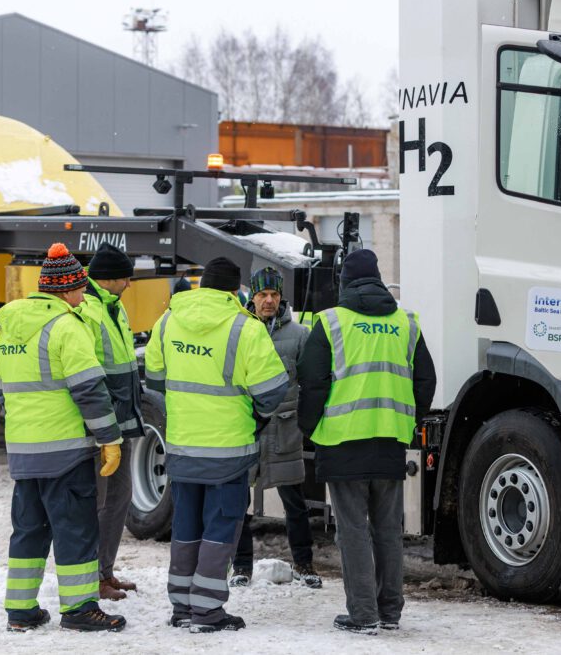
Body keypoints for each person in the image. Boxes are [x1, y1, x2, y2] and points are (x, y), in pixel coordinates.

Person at [0, 242, 127, 633]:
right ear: (66, 289)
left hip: (23, 452)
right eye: (81, 289)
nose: (84, 296)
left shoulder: (6, 321)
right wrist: (109, 439)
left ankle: (21, 610)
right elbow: (89, 391)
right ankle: (81, 608)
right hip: (65, 452)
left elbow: (0, 390)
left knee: (29, 529)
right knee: (76, 529)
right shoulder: (66, 326)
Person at [146, 257, 289, 633]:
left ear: (202, 284)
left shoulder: (168, 321)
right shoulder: (246, 328)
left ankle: (182, 607)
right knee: (220, 528)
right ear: (235, 290)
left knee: (186, 525)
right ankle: (207, 612)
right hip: (228, 450)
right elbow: (273, 392)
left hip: (181, 447)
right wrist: (254, 417)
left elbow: (155, 379)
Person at [297, 249, 437, 634]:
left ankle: (363, 614)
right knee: (388, 530)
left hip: (342, 441)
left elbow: (312, 382)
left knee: (353, 530)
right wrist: (409, 421)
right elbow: (425, 379)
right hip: (390, 439)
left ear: (344, 282)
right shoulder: (406, 322)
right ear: (377, 279)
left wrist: (308, 426)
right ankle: (390, 611)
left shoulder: (331, 323)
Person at [230, 267, 322, 590]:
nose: (268, 300)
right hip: (248, 429)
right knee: (238, 501)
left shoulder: (298, 335)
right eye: (262, 295)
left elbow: (311, 382)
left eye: (274, 295)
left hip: (285, 431)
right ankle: (240, 566)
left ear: (281, 297)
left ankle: (304, 563)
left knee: (295, 502)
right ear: (252, 296)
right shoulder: (238, 330)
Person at [74, 242, 143, 601]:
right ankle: (92, 578)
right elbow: (85, 371)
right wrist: (99, 426)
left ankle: (106, 571)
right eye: (126, 278)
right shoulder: (88, 309)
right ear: (109, 279)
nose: (130, 284)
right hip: (100, 425)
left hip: (121, 419)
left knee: (120, 496)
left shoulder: (114, 307)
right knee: (99, 502)